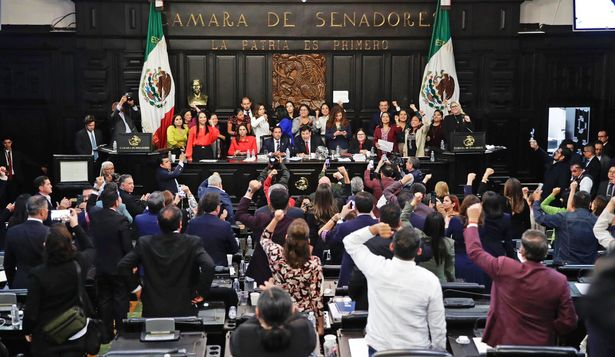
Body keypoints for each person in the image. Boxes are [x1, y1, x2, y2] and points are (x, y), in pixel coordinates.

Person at [463, 203, 577, 346]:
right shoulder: (559, 280)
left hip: (506, 344)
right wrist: (549, 330)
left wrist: (473, 222)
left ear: (521, 251)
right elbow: (568, 321)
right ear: (545, 253)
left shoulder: (504, 267)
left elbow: (475, 252)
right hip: (542, 346)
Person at [344, 210, 446, 353]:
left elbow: (349, 241)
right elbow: (437, 326)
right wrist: (438, 352)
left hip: (380, 350)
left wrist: (373, 229)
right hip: (417, 350)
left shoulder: (376, 268)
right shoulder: (430, 280)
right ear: (419, 252)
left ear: (392, 247)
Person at [119, 205, 215, 318]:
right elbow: (209, 265)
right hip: (184, 306)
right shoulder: (193, 242)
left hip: (153, 307)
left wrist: (136, 288)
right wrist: (201, 292)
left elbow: (123, 265)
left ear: (158, 224)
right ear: (180, 224)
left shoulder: (145, 243)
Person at [23, 212, 97, 357]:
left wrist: (27, 330)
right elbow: (90, 248)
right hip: (74, 330)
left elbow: (32, 311)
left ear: (46, 246)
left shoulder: (37, 274)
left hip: (47, 335)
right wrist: (75, 226)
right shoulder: (78, 264)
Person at [260, 210, 324, 335]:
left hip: (279, 311)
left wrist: (276, 219)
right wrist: (320, 325)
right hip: (303, 317)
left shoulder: (275, 254)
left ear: (286, 237)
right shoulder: (314, 263)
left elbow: (264, 238)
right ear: (308, 241)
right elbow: (316, 297)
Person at [89, 189, 133, 342]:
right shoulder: (121, 220)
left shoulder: (95, 216)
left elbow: (90, 207)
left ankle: (106, 334)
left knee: (104, 300)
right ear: (116, 202)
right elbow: (127, 246)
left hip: (100, 266)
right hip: (118, 266)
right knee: (120, 299)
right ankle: (121, 333)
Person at [237, 180, 296, 284]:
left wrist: (250, 191)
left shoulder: (261, 219)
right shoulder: (294, 225)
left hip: (262, 271)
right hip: (285, 272)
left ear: (269, 204)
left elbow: (240, 213)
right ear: (288, 204)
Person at [230, 286, 317, 357]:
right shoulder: (304, 332)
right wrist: (278, 299)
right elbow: (302, 319)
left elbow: (246, 325)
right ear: (292, 311)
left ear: (257, 313)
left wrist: (269, 304)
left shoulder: (242, 337)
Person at [533, 189, 599, 265]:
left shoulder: (563, 217)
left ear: (573, 203)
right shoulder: (597, 221)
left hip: (564, 267)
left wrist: (536, 201)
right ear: (590, 204)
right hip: (589, 268)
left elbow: (539, 218)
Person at [327, 192, 377, 286]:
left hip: (350, 275)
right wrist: (373, 216)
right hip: (372, 274)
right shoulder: (378, 226)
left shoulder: (344, 227)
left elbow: (332, 241)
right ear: (373, 207)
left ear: (355, 208)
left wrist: (341, 218)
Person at [4, 195, 50, 289]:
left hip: (20, 282)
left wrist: (13, 283)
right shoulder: (50, 232)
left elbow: (8, 263)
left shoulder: (13, 232)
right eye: (47, 209)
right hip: (45, 285)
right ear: (42, 211)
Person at [186, 192, 239, 266]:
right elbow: (234, 249)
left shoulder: (192, 223)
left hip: (198, 268)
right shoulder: (225, 225)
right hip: (219, 270)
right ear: (218, 207)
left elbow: (187, 246)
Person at [1, 137, 47, 205]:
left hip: (15, 178)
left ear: (11, 143)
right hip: (4, 178)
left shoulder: (17, 153)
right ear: (3, 144)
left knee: (15, 196)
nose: (7, 144)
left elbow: (28, 161)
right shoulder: (1, 154)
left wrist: (40, 167)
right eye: (5, 143)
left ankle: (16, 210)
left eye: (9, 142)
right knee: (4, 196)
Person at [419, 212, 455, 283]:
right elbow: (449, 269)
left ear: (426, 224)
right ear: (442, 226)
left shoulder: (417, 238)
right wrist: (452, 282)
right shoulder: (448, 243)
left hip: (420, 282)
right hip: (440, 283)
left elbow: (403, 219)